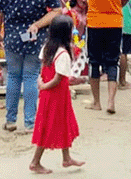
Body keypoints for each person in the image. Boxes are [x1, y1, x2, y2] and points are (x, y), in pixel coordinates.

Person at [0, 0, 61, 131]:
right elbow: (56, 11)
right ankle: (30, 122)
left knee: (13, 76)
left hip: (13, 37)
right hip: (36, 38)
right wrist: (38, 24)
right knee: (31, 77)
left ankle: (11, 120)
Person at [76, 0, 130, 114]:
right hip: (114, 21)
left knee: (94, 62)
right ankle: (111, 102)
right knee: (112, 62)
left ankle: (97, 102)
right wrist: (117, 6)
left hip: (95, 21)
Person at [29, 15, 84, 174]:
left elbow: (43, 67)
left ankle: (66, 157)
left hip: (49, 95)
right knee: (50, 126)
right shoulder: (64, 54)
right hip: (57, 95)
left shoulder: (47, 48)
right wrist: (45, 85)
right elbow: (59, 78)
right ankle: (35, 161)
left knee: (61, 123)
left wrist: (41, 82)